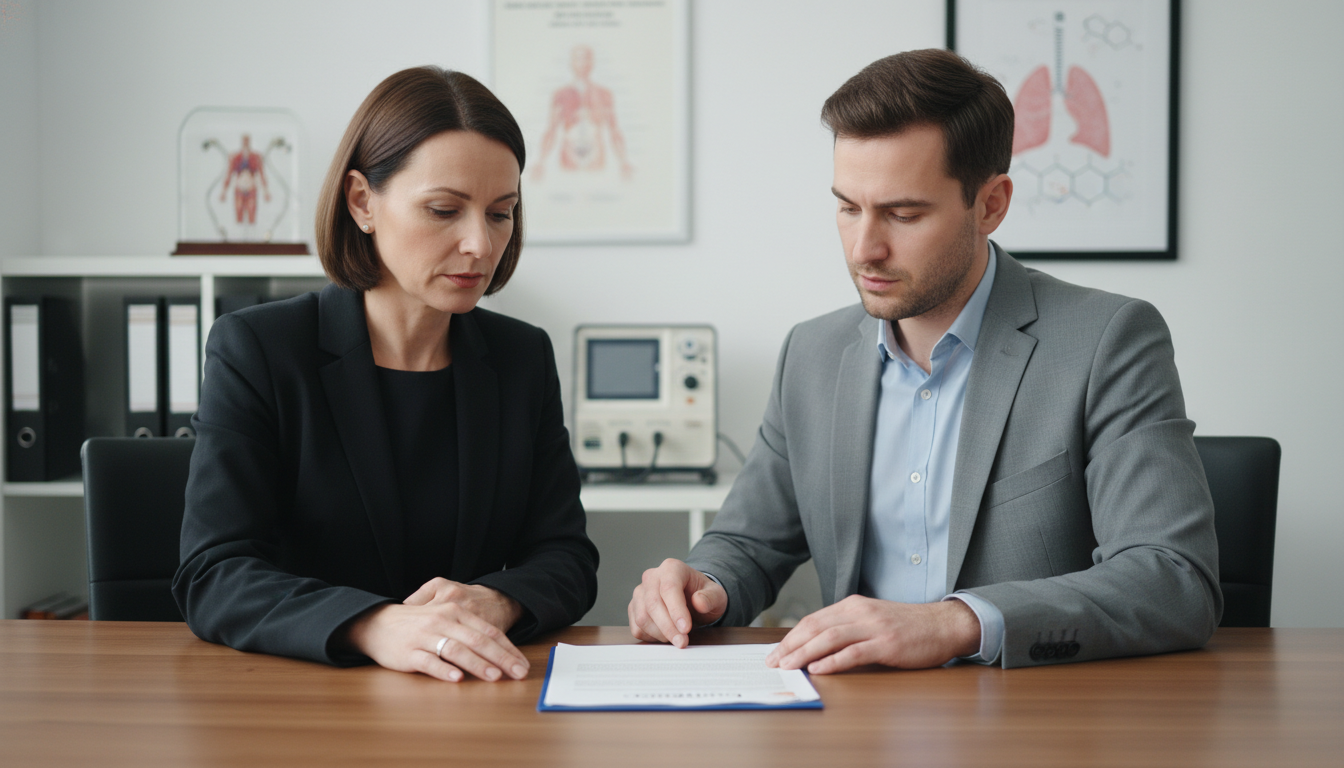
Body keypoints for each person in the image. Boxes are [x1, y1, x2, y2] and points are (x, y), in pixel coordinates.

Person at [628, 49, 1220, 671]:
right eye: (848, 207)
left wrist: (955, 622)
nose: (865, 249)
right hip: (856, 720)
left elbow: (1173, 577)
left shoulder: (1108, 340)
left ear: (991, 204)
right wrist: (704, 584)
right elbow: (747, 542)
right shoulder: (812, 353)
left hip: (1032, 720)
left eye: (903, 214)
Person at [174, 66, 599, 683]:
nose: (480, 243)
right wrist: (375, 623)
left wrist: (498, 600)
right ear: (361, 202)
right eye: (444, 209)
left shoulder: (521, 357)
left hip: (474, 701)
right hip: (306, 700)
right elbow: (213, 572)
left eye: (501, 213)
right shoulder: (261, 350)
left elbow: (566, 556)